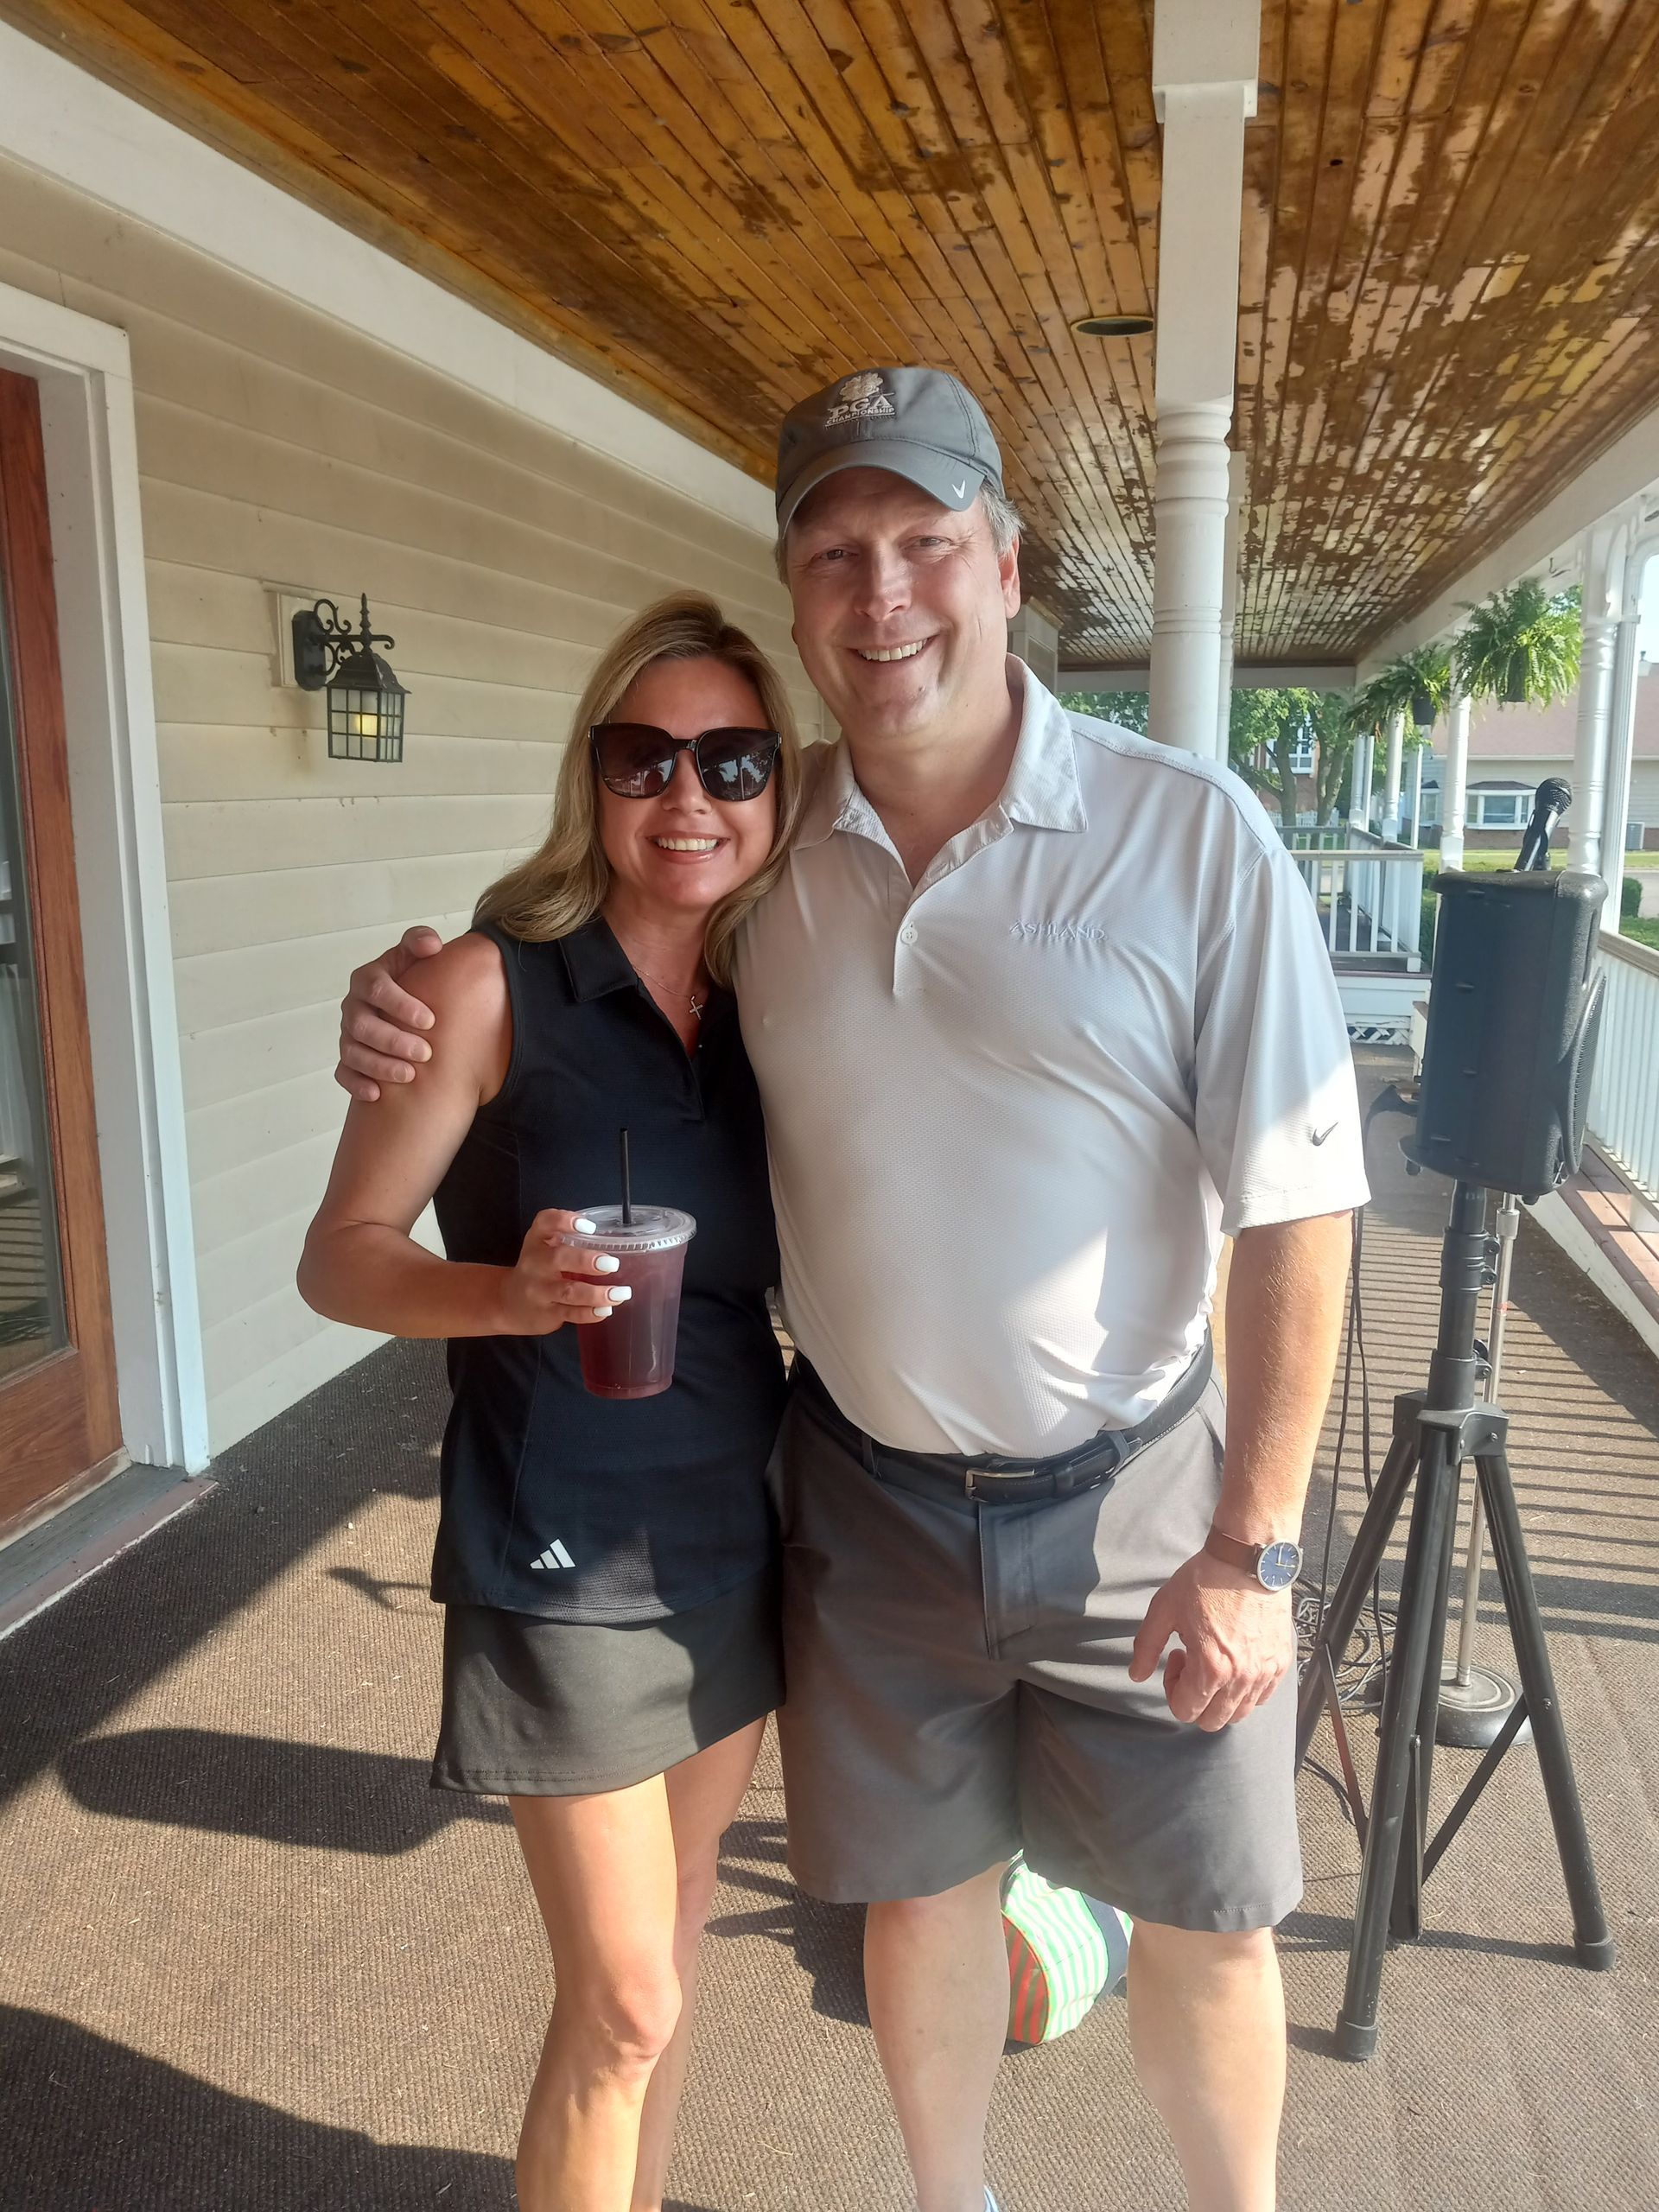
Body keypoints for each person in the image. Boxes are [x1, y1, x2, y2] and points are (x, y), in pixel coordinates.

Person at [337, 367, 1369, 2212]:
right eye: (834, 554)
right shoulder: (774, 839)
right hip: (862, 1504)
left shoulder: (1187, 832)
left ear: (1006, 565)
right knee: (910, 1898)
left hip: (1135, 1496)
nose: (882, 594)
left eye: (923, 543)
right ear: (797, 597)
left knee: (1210, 1918)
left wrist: (1256, 1545)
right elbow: (575, 953)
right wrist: (412, 991)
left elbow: (1304, 1202)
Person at [299, 593, 806, 2212]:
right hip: (559, 1549)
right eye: (644, 757)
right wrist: (503, 1299)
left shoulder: (779, 995)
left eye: (733, 762)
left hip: (734, 1530)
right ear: (591, 776)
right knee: (626, 2001)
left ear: (779, 786)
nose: (689, 797)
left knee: (672, 1949)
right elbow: (341, 1257)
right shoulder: (484, 986)